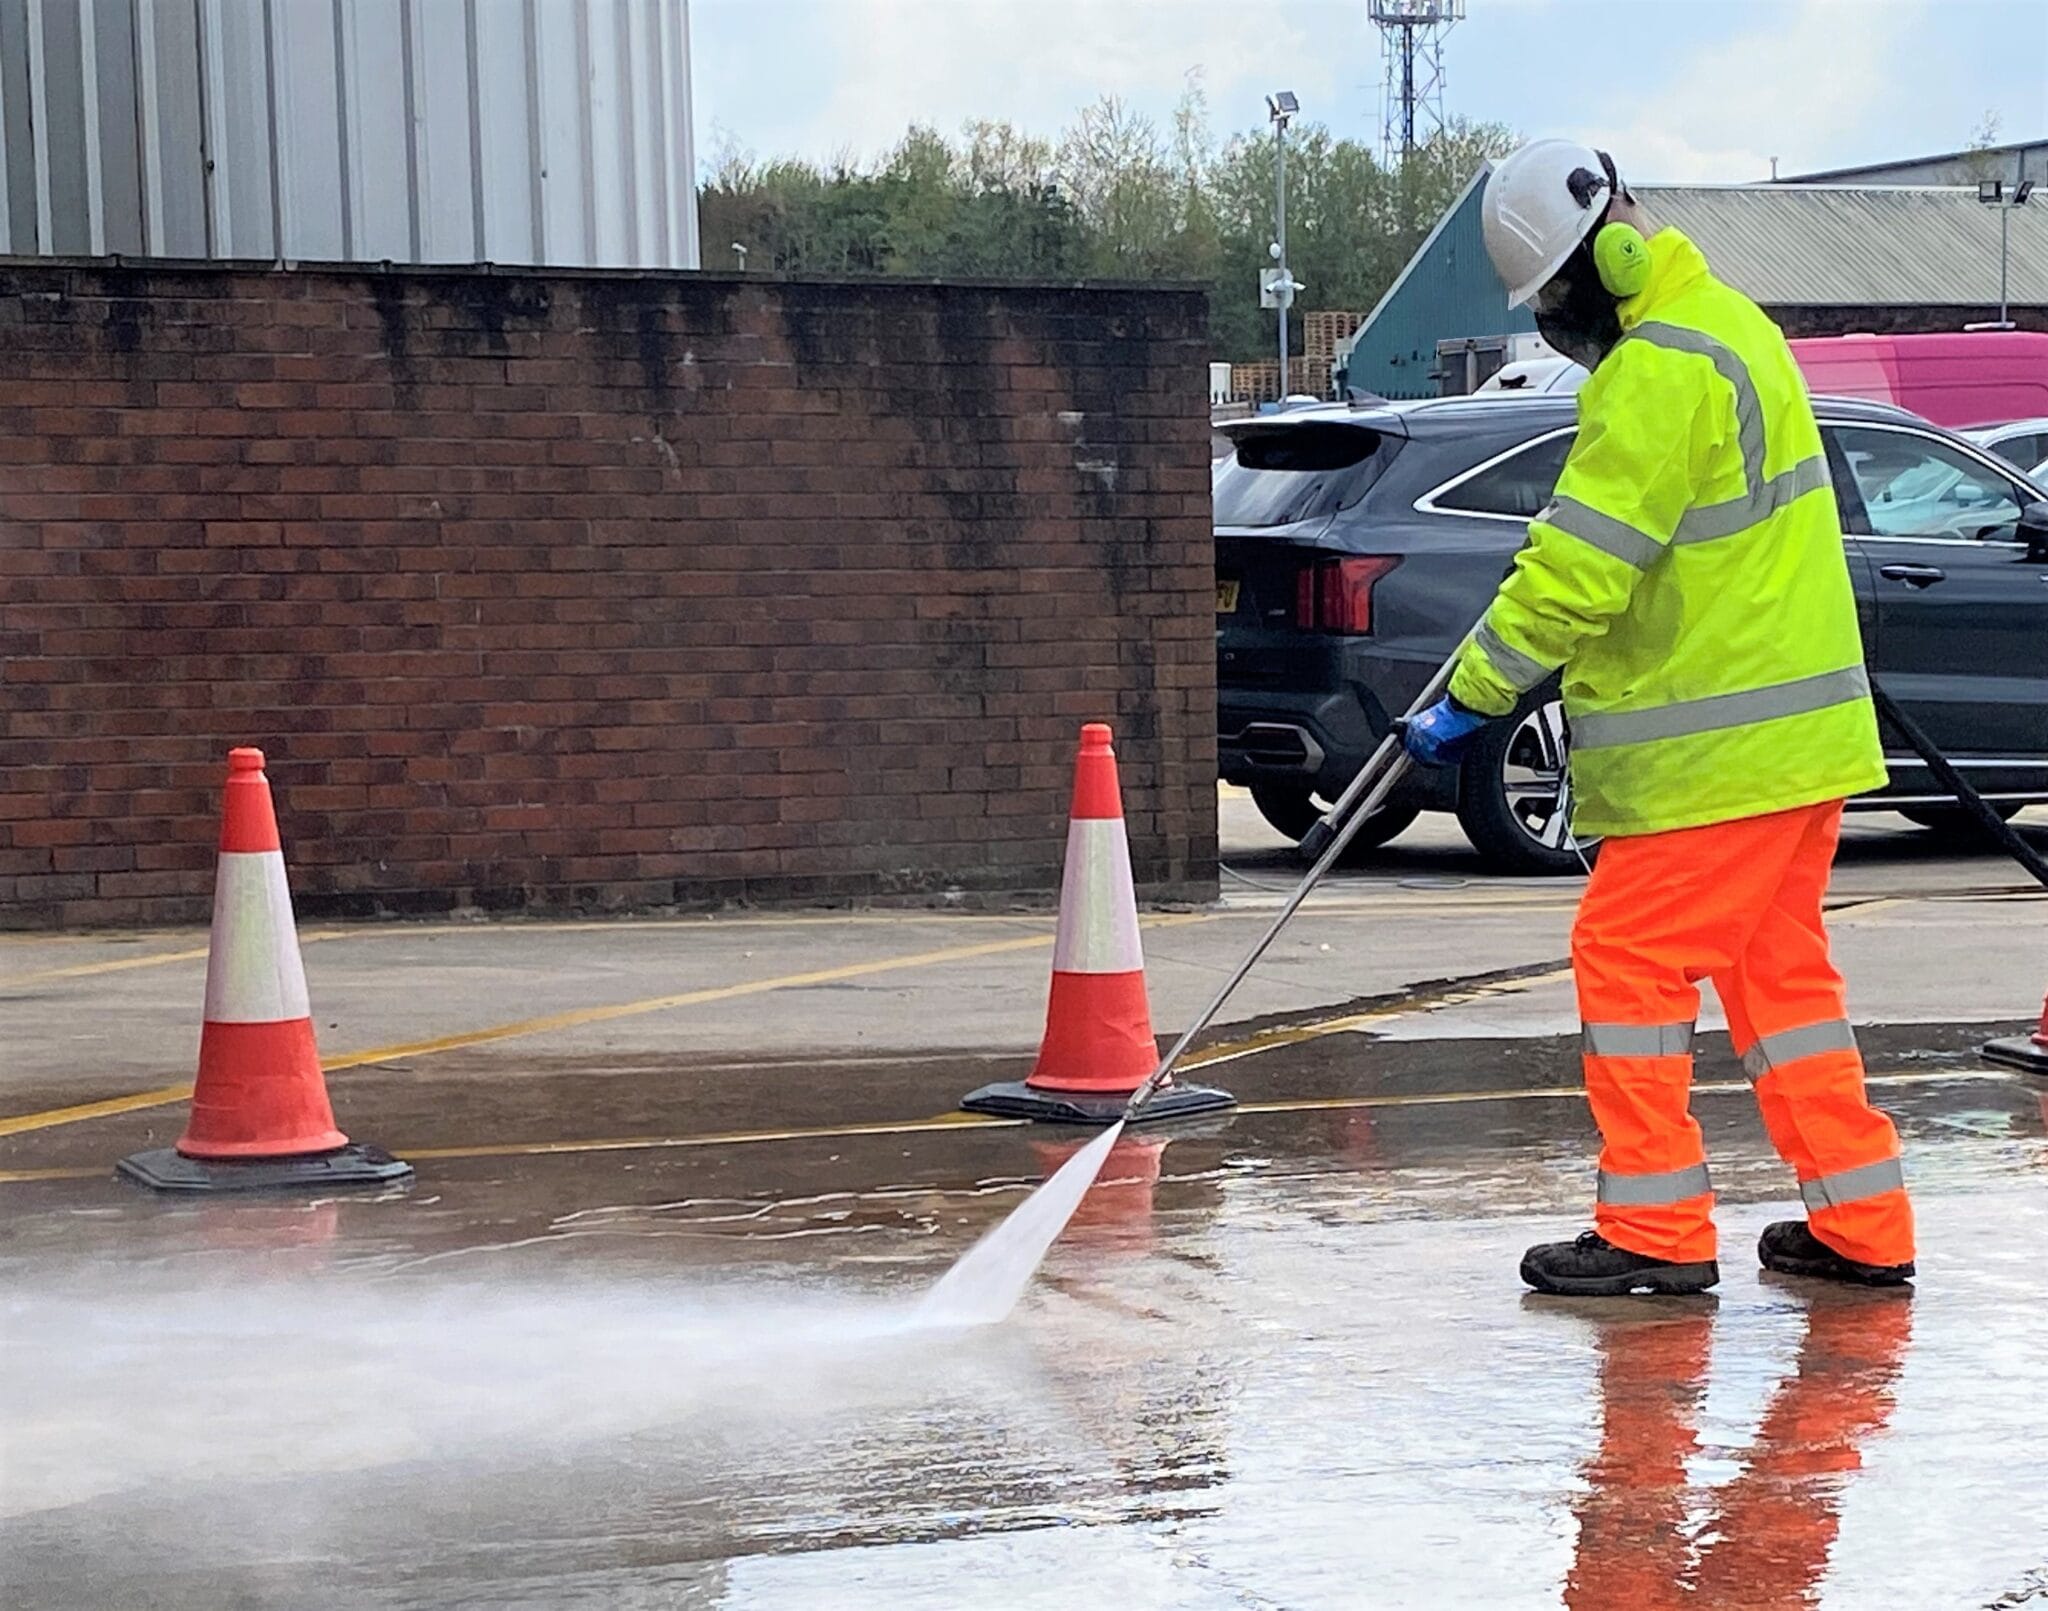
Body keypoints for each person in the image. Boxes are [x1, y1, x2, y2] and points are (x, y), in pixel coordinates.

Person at [1402, 138, 1916, 1296]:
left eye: (1554, 297)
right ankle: (1861, 1224)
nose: (1552, 323)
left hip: (1712, 756)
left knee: (1625, 960)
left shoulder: (1656, 370)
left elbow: (1579, 569)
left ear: (1607, 259)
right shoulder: (1732, 326)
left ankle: (1653, 1231)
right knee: (1780, 987)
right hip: (1790, 749)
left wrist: (1467, 698)